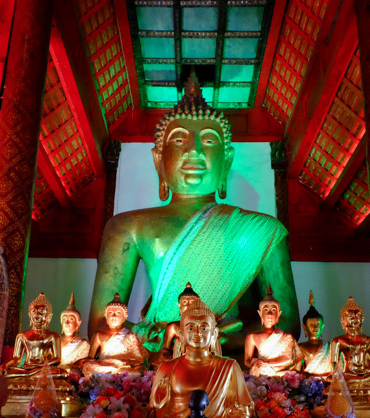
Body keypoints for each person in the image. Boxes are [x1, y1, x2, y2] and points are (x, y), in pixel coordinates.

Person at [88, 72, 299, 348]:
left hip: (225, 352)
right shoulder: (128, 226)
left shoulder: (262, 231)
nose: (194, 150)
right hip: (162, 350)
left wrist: (214, 338)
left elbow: (288, 326)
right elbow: (101, 323)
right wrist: (162, 337)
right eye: (179, 140)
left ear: (227, 160)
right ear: (158, 160)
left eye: (210, 141)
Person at [125, 298, 270, 418]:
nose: (197, 334)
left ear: (214, 333)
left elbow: (242, 410)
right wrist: (162, 409)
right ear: (181, 334)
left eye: (203, 328)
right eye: (191, 328)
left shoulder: (228, 367)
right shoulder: (167, 368)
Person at [82, 293, 148, 376]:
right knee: (88, 366)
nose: (113, 316)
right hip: (103, 366)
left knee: (141, 370)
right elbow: (90, 358)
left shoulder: (130, 335)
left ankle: (112, 375)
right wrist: (80, 361)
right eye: (110, 313)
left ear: (124, 317)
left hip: (122, 366)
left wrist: (128, 361)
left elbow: (138, 359)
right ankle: (112, 375)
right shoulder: (98, 335)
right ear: (106, 317)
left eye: (118, 313)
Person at [1, 292, 63, 376]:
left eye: (41, 312)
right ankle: (29, 374)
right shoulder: (22, 336)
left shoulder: (53, 336)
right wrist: (4, 367)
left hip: (43, 369)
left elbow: (57, 359)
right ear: (30, 315)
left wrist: (40, 366)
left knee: (62, 374)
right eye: (34, 311)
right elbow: (16, 359)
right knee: (8, 373)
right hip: (26, 368)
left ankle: (30, 374)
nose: (37, 314)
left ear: (48, 316)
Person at [244, 285, 300, 376]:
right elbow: (247, 361)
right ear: (260, 314)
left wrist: (268, 363)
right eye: (266, 310)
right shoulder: (252, 337)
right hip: (261, 373)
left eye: (273, 310)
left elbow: (290, 359)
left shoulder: (287, 337)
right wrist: (255, 363)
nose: (270, 313)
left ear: (278, 314)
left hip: (281, 374)